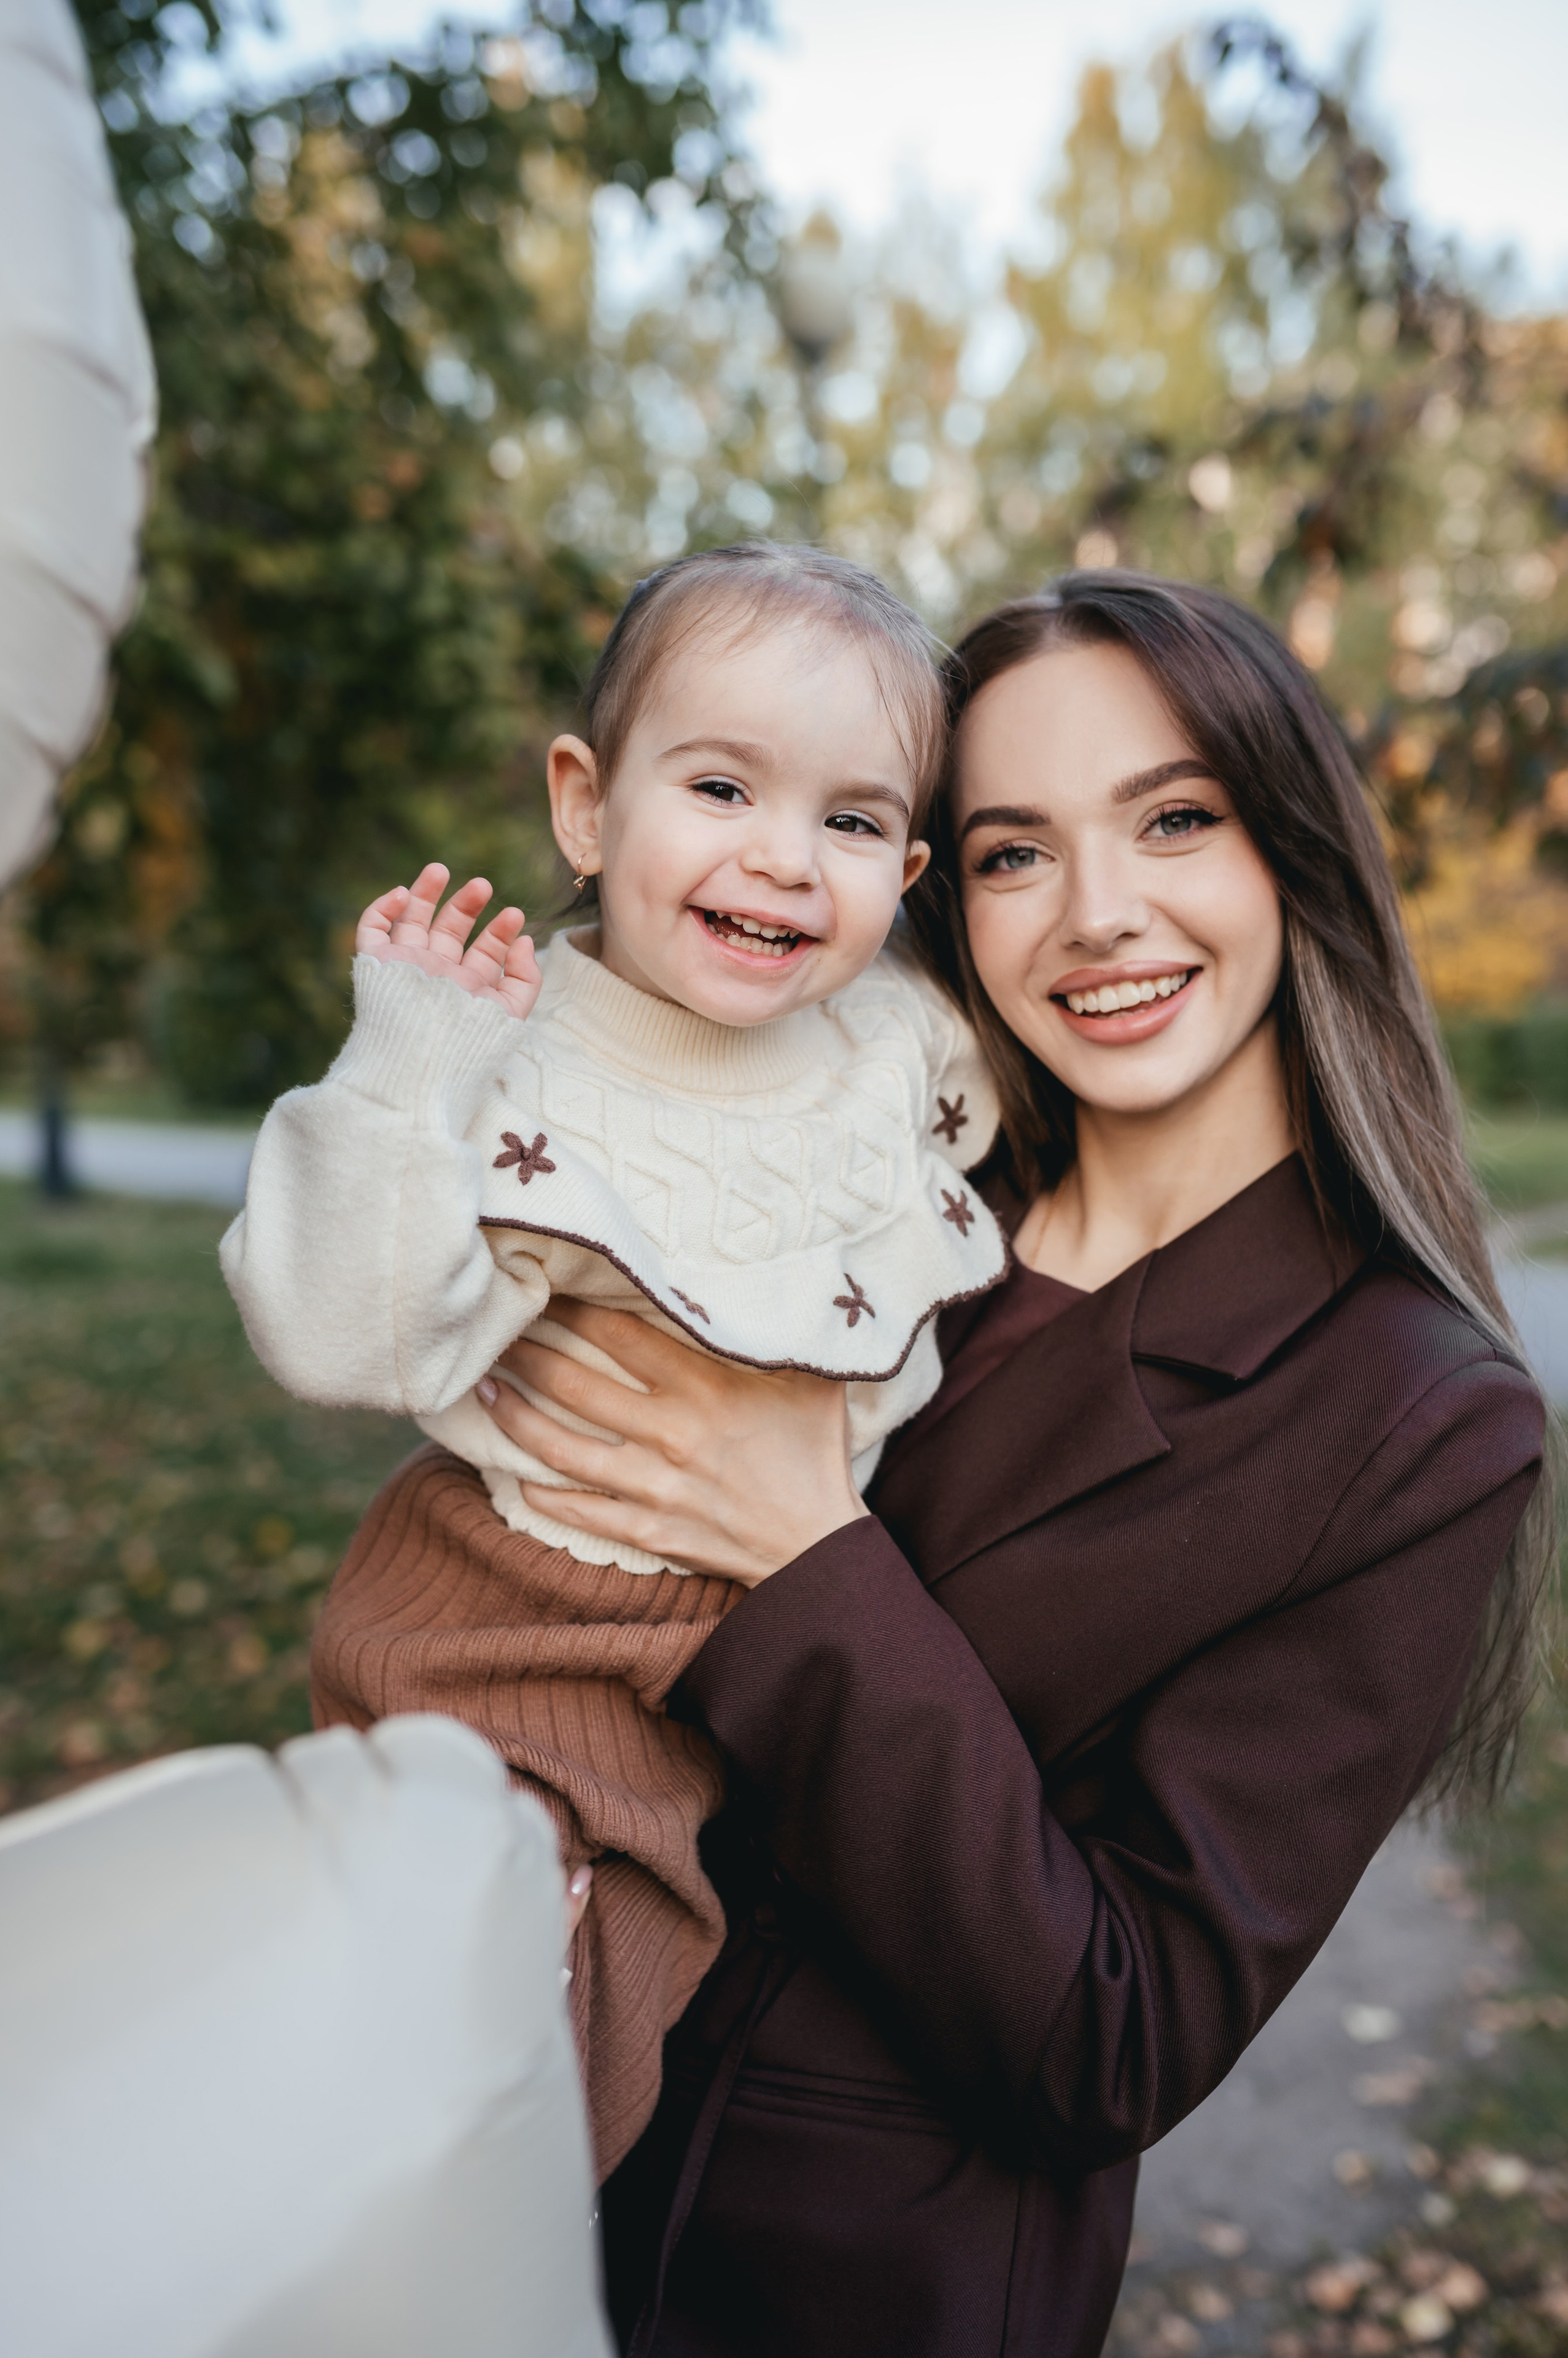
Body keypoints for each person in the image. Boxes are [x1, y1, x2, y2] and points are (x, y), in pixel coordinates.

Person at [470, 572, 1553, 2358]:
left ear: (1293, 849)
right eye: (1010, 852)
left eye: (1175, 821)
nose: (1096, 917)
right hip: (517, 2182)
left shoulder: (1417, 1420)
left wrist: (807, 1552)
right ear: (938, 899)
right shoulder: (880, 1198)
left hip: (836, 2286)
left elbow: (1113, 2037)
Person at [219, 542, 1006, 2182]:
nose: (786, 862)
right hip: (531, 1622)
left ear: (909, 864)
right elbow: (336, 1331)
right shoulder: (515, 1066)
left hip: (758, 1623)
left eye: (853, 822)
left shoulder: (904, 1042)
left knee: (643, 2022)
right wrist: (405, 1064)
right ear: (587, 805)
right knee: (493, 2005)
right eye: (722, 787)